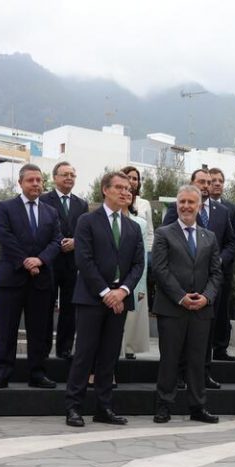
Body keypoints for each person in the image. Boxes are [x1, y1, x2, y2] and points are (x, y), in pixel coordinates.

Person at [64, 171, 145, 427]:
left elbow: (138, 264)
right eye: (119, 187)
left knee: (109, 356)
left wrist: (122, 292)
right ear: (105, 190)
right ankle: (74, 407)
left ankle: (104, 407)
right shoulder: (87, 221)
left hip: (120, 300)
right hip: (91, 299)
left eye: (128, 188)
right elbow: (84, 261)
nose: (125, 192)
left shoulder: (133, 226)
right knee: (85, 354)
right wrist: (105, 292)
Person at [151, 185, 223, 424]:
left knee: (197, 360)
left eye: (191, 202)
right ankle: (163, 405)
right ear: (176, 205)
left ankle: (197, 407)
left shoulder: (209, 237)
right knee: (169, 359)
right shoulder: (164, 233)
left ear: (200, 206)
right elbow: (160, 270)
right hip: (172, 308)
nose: (186, 206)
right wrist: (181, 296)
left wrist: (207, 297)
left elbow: (216, 273)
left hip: (202, 310)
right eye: (182, 202)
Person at [0, 163, 63, 389]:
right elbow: (4, 237)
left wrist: (39, 260)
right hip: (11, 279)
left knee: (39, 331)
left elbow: (57, 241)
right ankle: (1, 373)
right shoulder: (5, 207)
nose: (36, 184)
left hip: (40, 280)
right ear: (20, 183)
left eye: (39, 180)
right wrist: (25, 262)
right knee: (7, 329)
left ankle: (37, 373)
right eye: (31, 180)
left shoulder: (51, 212)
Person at [163, 169, 235, 386]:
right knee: (180, 333)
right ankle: (178, 374)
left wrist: (219, 260)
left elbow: (232, 240)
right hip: (182, 282)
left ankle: (204, 373)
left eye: (209, 182)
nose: (206, 185)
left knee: (207, 330)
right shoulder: (176, 208)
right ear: (192, 183)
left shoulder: (222, 211)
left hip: (211, 283)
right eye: (202, 181)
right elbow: (167, 237)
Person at [40, 161, 89, 360]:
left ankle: (65, 349)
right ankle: (43, 349)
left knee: (70, 308)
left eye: (72, 175)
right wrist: (57, 242)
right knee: (45, 306)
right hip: (50, 260)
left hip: (72, 262)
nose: (69, 178)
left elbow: (86, 231)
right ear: (55, 178)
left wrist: (76, 242)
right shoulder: (43, 200)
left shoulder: (81, 203)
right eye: (65, 174)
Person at [120, 166, 155, 358]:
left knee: (136, 307)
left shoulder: (143, 208)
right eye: (128, 177)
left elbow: (149, 232)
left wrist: (147, 258)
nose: (132, 182)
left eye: (135, 178)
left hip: (138, 263)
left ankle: (130, 347)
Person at [208, 167, 235, 361]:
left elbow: (234, 239)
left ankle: (220, 348)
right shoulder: (196, 205)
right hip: (200, 270)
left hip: (223, 269)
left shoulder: (231, 208)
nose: (217, 183)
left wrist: (221, 260)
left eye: (221, 180)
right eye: (213, 180)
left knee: (222, 310)